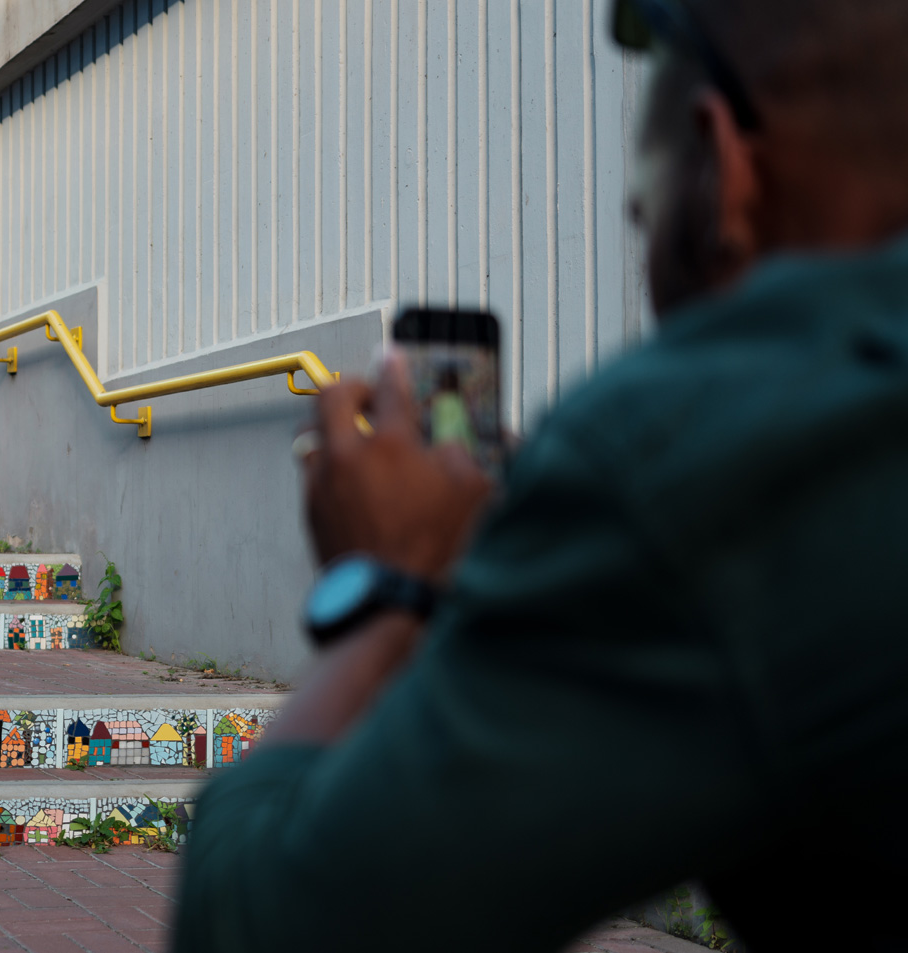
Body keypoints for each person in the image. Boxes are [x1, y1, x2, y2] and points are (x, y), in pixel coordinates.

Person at [175, 0, 908, 950]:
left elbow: (258, 926)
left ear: (723, 165)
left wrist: (388, 591)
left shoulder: (695, 457)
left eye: (643, 213)